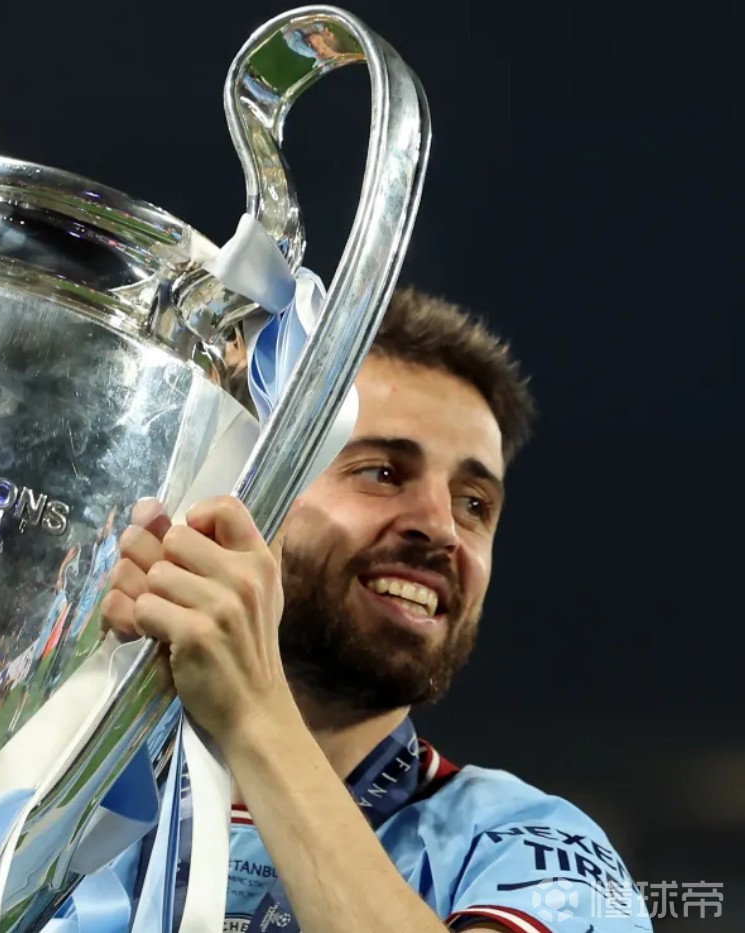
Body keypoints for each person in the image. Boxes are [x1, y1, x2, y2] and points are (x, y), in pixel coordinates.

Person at [98, 287, 652, 932]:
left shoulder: (533, 849)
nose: (442, 528)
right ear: (234, 491)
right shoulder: (69, 799)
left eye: (475, 504)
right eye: (382, 473)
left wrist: (252, 709)